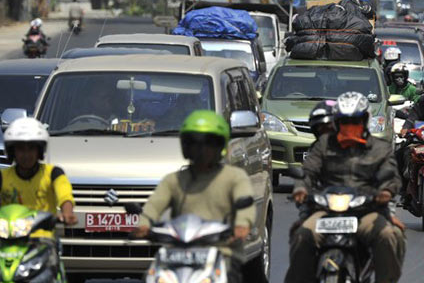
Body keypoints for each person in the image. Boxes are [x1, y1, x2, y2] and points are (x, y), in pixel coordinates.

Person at [286, 91, 406, 283]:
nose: (350, 127)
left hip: (367, 210)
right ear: (336, 121)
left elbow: (391, 176)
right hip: (327, 209)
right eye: (345, 121)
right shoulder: (324, 145)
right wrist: (300, 189)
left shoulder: (380, 148)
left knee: (388, 235)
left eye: (355, 121)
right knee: (302, 235)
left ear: (365, 120)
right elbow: (308, 171)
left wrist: (385, 191)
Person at [133, 110, 256, 283]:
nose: (201, 150)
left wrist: (242, 225)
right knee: (151, 277)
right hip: (177, 253)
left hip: (222, 251)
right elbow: (154, 205)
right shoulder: (175, 179)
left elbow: (245, 204)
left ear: (219, 146)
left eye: (208, 144)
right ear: (186, 146)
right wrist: (144, 224)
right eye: (194, 143)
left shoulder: (234, 177)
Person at [0, 117, 77, 233]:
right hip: (8, 239)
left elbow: (65, 197)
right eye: (21, 149)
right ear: (12, 151)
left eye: (31, 149)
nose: (26, 155)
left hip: (43, 241)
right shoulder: (0, 177)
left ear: (39, 150)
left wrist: (67, 213)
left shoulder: (53, 173)